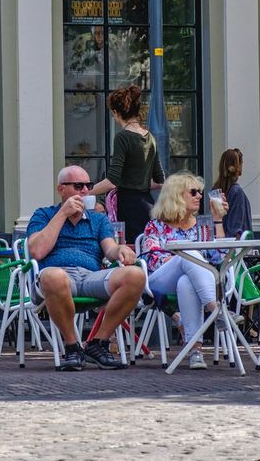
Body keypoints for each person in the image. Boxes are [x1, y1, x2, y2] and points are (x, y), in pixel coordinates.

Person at [27, 165, 146, 371]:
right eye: (78, 186)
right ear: (61, 189)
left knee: (135, 275)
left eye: (88, 186)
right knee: (53, 276)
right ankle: (72, 347)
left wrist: (120, 250)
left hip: (91, 276)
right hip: (57, 278)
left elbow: (109, 248)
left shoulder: (98, 219)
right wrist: (62, 214)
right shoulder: (44, 215)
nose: (85, 191)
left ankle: (98, 343)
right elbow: (37, 251)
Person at [139, 172, 228, 370]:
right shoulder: (157, 225)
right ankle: (216, 309)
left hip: (194, 280)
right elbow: (152, 258)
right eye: (193, 192)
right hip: (160, 281)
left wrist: (218, 220)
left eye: (200, 192)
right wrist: (185, 259)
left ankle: (195, 351)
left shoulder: (203, 225)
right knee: (189, 254)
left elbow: (219, 257)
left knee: (186, 282)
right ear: (177, 195)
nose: (199, 196)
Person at [89, 85, 165, 243]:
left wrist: (86, 193)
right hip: (148, 204)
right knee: (146, 247)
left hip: (128, 206)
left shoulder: (122, 137)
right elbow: (159, 181)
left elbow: (112, 181)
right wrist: (138, 182)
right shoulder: (150, 137)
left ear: (116, 113)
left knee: (130, 249)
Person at [212, 148, 253, 238]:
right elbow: (236, 226)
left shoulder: (215, 190)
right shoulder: (237, 192)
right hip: (234, 246)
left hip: (218, 240)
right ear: (238, 166)